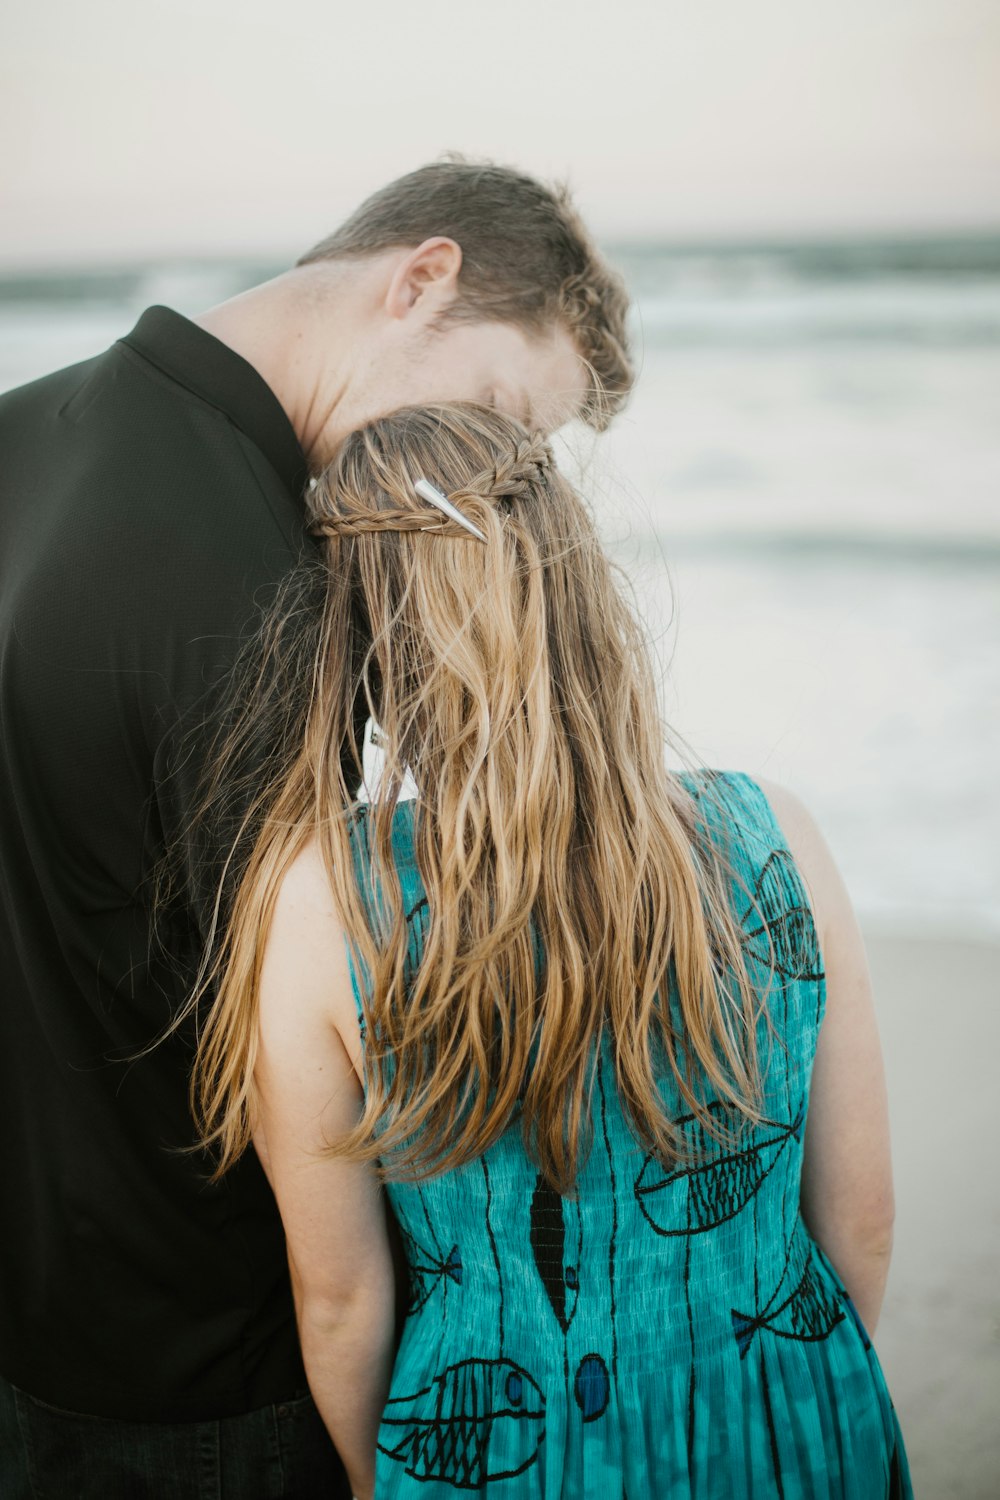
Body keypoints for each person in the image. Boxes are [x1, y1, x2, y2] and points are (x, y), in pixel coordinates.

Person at [0, 160, 632, 1498]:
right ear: (421, 279)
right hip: (201, 1373)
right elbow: (307, 1051)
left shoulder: (23, 433)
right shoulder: (274, 581)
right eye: (506, 415)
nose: (492, 479)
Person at [177, 401, 914, 1498]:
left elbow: (340, 1303)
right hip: (789, 1415)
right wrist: (797, 1399)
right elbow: (858, 1218)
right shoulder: (776, 834)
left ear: (364, 640)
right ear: (575, 586)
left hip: (506, 1456)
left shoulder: (328, 904)